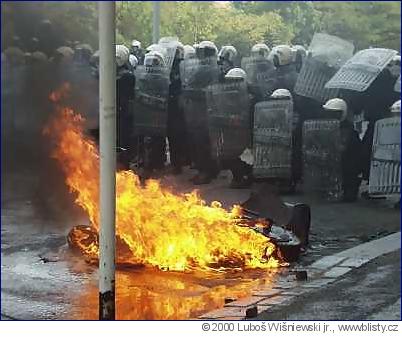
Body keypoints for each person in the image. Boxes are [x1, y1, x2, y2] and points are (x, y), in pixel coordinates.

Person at [322, 98, 362, 202]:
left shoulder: (347, 130)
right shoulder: (327, 127)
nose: (330, 116)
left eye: (334, 113)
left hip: (348, 164)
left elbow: (342, 148)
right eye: (329, 113)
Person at [224, 68, 254, 188]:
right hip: (231, 132)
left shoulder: (250, 97)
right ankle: (238, 176)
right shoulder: (226, 97)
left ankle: (246, 176)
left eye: (236, 81)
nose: (233, 84)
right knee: (230, 155)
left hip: (245, 132)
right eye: (231, 81)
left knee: (246, 157)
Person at [167, 42, 186, 175]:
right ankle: (175, 163)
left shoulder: (184, 66)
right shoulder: (167, 66)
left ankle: (178, 163)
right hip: (170, 104)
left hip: (180, 105)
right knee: (173, 135)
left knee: (178, 135)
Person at [116, 45, 136, 168]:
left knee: (123, 138)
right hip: (121, 111)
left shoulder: (127, 76)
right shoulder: (128, 75)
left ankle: (124, 164)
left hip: (122, 111)